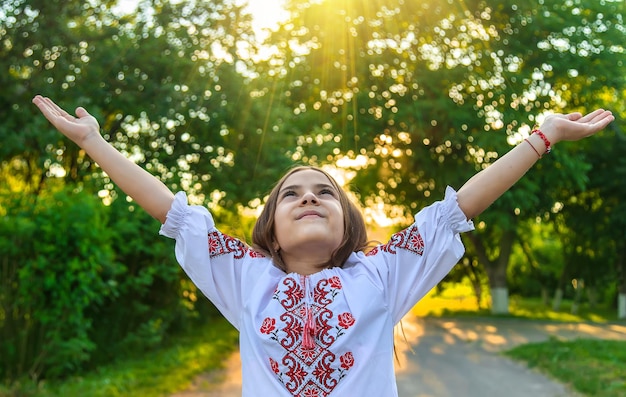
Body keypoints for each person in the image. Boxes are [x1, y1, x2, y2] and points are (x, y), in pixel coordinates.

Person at [32, 95, 614, 396]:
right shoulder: (246, 277)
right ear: (270, 228)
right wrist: (95, 145)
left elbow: (457, 209)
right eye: (292, 194)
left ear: (347, 223)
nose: (310, 198)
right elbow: (172, 210)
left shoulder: (381, 275)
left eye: (325, 193)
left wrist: (544, 137)